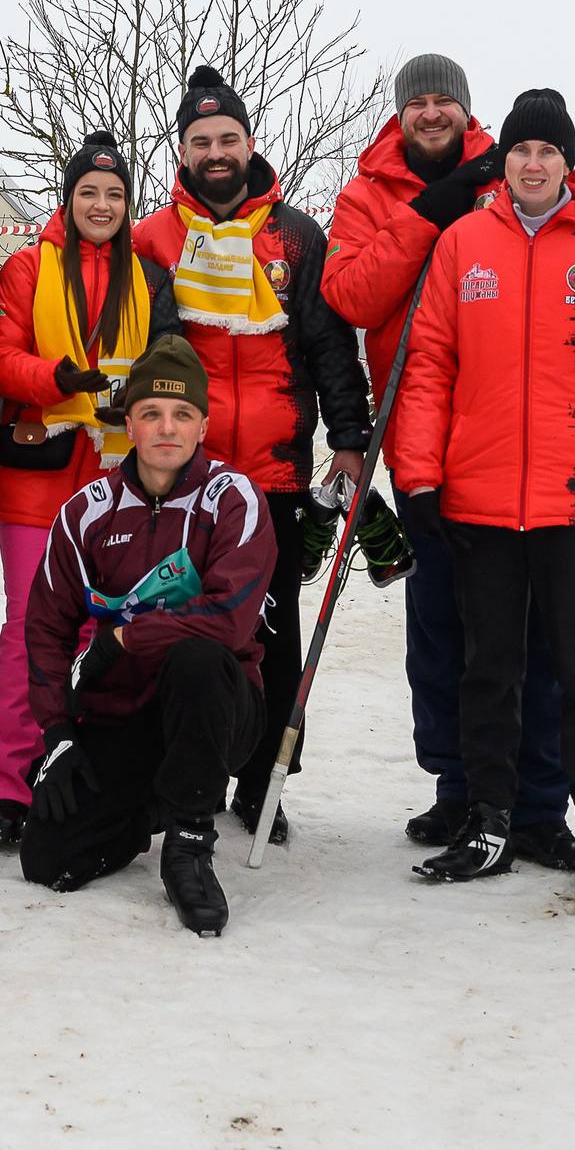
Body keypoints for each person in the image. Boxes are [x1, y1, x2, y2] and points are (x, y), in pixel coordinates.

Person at [325, 54, 575, 866]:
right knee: (449, 638)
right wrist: (434, 211)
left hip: (558, 476)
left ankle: (537, 805)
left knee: (555, 653)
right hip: (440, 455)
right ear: (401, 115)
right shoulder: (373, 196)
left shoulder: (523, 167)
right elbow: (357, 301)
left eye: (443, 101)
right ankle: (462, 792)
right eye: (417, 102)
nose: (430, 113)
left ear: (465, 112)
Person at [132, 64, 369, 844]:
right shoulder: (153, 237)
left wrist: (348, 438)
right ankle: (175, 769)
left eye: (228, 137)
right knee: (177, 621)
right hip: (185, 473)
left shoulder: (295, 235)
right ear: (183, 150)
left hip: (272, 468)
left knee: (272, 628)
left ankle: (264, 779)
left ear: (249, 142)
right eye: (201, 141)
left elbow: (330, 344)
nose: (216, 151)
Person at [20, 335, 277, 935]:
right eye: (152, 413)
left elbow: (232, 620)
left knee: (195, 658)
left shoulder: (232, 499)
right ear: (128, 423)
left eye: (183, 414)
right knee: (49, 860)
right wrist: (57, 731)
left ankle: (188, 842)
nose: (168, 427)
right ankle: (156, 802)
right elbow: (47, 625)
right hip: (127, 716)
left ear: (203, 424)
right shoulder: (87, 510)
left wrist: (126, 640)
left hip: (219, 708)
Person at [0, 131, 181, 850]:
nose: (101, 204)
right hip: (38, 477)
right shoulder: (29, 266)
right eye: (89, 191)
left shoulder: (150, 277)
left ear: (129, 204)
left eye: (115, 193)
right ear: (69, 198)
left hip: (116, 481)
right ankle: (6, 784)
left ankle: (88, 779)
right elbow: (2, 362)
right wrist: (56, 378)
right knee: (27, 634)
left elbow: (169, 367)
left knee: (108, 633)